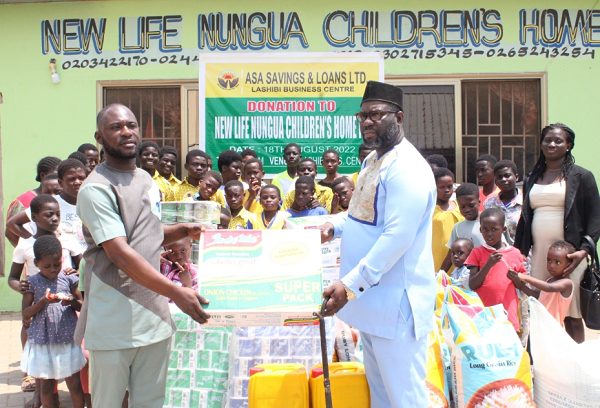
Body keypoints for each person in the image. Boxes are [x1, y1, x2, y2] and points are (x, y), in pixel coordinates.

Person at [75, 103, 209, 407]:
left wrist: (185, 229)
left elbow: (146, 234)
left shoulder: (145, 180)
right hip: (114, 321)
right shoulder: (95, 189)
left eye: (131, 125)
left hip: (154, 317)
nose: (126, 132)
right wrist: (177, 291)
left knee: (150, 403)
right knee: (108, 402)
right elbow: (120, 253)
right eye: (115, 127)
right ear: (100, 136)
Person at [318, 81, 437, 407]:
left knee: (405, 399)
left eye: (376, 115)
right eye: (362, 116)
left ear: (398, 117)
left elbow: (396, 237)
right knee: (382, 397)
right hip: (373, 304)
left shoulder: (406, 169)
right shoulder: (374, 160)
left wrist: (350, 284)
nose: (367, 122)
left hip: (396, 306)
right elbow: (361, 214)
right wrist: (333, 225)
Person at [515, 123, 600, 343]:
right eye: (547, 140)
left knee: (571, 314)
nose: (551, 144)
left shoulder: (582, 176)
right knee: (541, 308)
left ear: (569, 146)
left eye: (558, 141)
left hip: (570, 257)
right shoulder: (533, 176)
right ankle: (548, 363)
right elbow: (526, 215)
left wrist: (584, 251)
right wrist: (519, 250)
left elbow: (595, 216)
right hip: (541, 253)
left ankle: (576, 365)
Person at [21, 235, 87, 408]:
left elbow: (81, 306)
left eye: (57, 264)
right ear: (37, 263)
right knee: (47, 387)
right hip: (43, 343)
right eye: (47, 266)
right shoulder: (32, 283)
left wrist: (71, 300)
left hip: (67, 341)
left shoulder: (69, 278)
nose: (53, 269)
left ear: (62, 259)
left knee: (74, 384)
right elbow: (26, 312)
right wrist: (42, 301)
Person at [467, 208, 526, 332]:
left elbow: (521, 285)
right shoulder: (476, 253)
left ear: (503, 230)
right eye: (485, 229)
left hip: (507, 314)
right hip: (484, 314)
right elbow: (472, 284)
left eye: (494, 229)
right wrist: (488, 265)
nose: (489, 233)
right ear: (480, 230)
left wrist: (516, 279)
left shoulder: (514, 253)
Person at [508, 240, 575, 328]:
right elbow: (540, 297)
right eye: (549, 260)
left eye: (557, 262)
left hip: (553, 329)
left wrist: (525, 277)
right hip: (539, 326)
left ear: (568, 265)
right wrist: (521, 286)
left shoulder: (567, 283)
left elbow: (549, 288)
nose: (551, 265)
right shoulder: (550, 280)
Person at [6, 156, 61, 247]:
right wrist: (33, 250)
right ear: (43, 175)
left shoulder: (62, 199)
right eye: (57, 174)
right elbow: (10, 233)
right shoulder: (23, 201)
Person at [440, 183, 484, 273]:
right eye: (462, 207)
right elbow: (450, 256)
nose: (467, 210)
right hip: (464, 278)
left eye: (471, 205)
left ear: (479, 202)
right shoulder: (458, 227)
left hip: (485, 274)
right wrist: (440, 275)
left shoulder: (488, 224)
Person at [432, 168, 464, 272]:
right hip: (435, 258)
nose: (446, 190)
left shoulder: (460, 205)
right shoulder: (429, 209)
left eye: (449, 187)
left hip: (459, 258)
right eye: (441, 187)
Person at [484, 160, 523, 245]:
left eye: (507, 176)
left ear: (516, 177)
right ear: (495, 181)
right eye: (499, 177)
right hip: (497, 254)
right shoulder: (489, 204)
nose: (503, 180)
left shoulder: (526, 202)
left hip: (521, 254)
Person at [160, 237, 198, 301]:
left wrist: (188, 285)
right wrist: (153, 261)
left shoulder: (195, 273)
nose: (178, 257)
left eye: (183, 251)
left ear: (190, 246)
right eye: (172, 252)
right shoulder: (159, 265)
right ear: (165, 248)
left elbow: (194, 300)